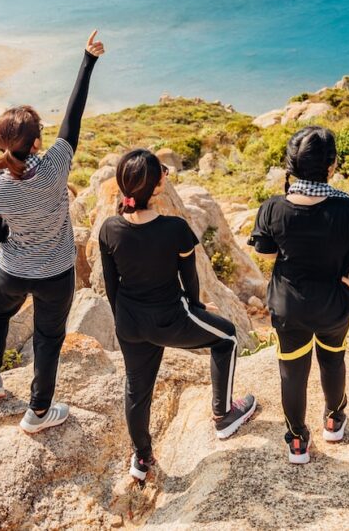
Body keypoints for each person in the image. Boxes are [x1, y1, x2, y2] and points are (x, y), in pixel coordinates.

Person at [0, 30, 105, 435]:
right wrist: (88, 59)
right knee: (48, 338)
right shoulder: (56, 166)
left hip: (11, 269)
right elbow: (73, 119)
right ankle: (39, 412)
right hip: (56, 273)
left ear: (0, 142)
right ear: (38, 142)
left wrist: (17, 230)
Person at [98, 149, 257, 480]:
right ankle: (225, 414)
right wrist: (198, 307)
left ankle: (141, 459)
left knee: (136, 390)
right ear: (156, 188)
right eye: (163, 174)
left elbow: (112, 287)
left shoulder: (109, 229)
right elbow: (189, 278)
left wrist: (125, 322)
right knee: (226, 336)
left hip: (129, 321)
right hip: (170, 318)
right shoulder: (174, 229)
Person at [249, 125, 349, 464]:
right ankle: (334, 419)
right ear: (331, 166)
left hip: (289, 308)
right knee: (333, 358)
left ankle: (297, 441)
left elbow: (266, 252)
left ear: (290, 166)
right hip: (335, 305)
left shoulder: (273, 208)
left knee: (292, 371)